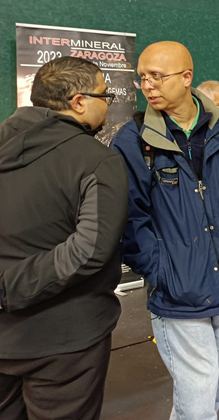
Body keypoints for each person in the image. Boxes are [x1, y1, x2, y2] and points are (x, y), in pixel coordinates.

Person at [111, 41, 219, 420]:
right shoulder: (134, 141)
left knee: (213, 388)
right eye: (142, 78)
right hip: (178, 292)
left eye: (157, 76)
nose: (148, 85)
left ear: (186, 77)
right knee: (198, 398)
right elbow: (129, 217)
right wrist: (162, 271)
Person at [0, 57, 128, 420]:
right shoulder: (97, 161)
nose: (109, 103)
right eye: (105, 95)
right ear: (78, 101)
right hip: (66, 339)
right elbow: (89, 250)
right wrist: (8, 289)